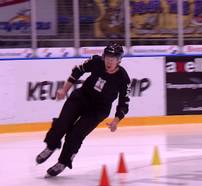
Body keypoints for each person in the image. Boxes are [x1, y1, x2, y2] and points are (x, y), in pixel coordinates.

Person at [36, 42, 131, 177]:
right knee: (62, 123)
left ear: (119, 60)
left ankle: (63, 162)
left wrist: (116, 121)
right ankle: (51, 146)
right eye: (108, 57)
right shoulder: (96, 61)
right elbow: (78, 71)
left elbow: (124, 102)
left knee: (75, 134)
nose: (109, 61)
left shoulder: (123, 79)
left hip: (98, 109)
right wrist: (64, 89)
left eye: (113, 58)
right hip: (82, 98)